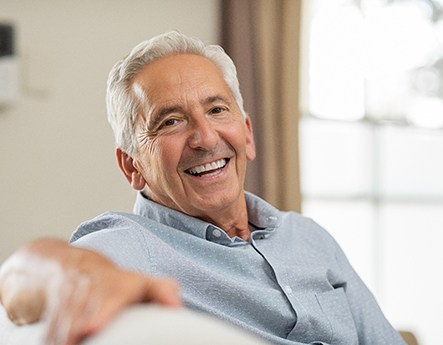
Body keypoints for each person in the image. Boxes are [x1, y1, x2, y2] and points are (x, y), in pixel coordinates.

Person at [0, 31, 406, 345]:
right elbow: (17, 279)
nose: (205, 137)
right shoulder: (132, 246)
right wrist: (70, 277)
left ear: (246, 135)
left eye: (216, 109)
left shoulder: (310, 238)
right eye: (170, 121)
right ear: (132, 166)